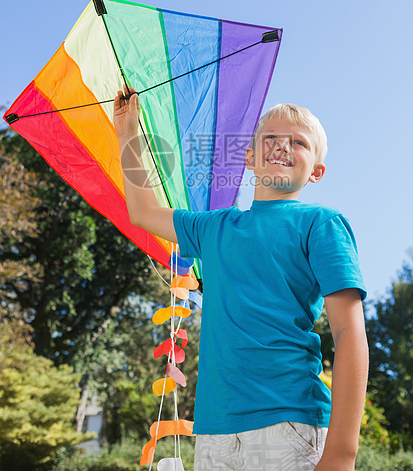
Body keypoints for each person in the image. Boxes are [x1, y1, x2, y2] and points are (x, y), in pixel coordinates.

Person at [114, 86, 368, 471]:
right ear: (249, 157)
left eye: (298, 142)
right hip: (214, 431)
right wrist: (128, 133)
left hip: (287, 423)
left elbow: (350, 335)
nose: (282, 146)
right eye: (271, 139)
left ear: (316, 170)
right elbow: (144, 212)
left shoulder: (321, 224)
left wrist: (340, 454)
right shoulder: (215, 227)